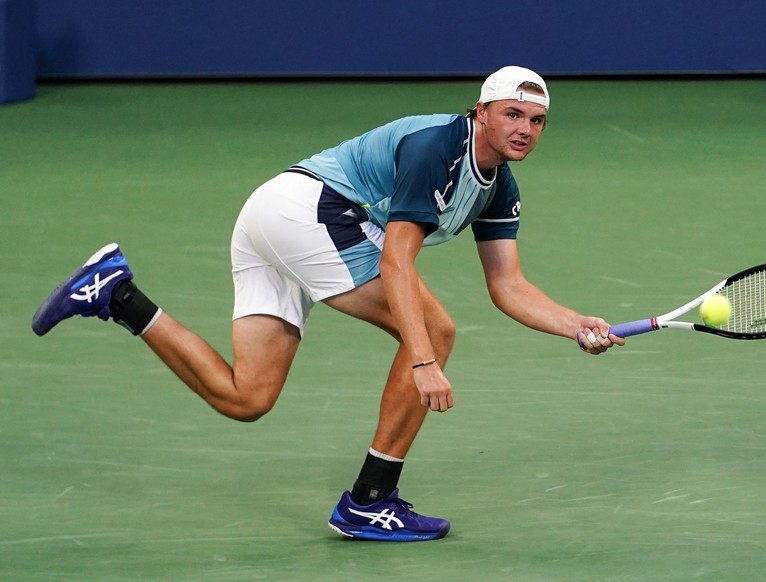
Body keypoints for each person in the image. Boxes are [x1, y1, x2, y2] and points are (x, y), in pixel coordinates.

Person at [31, 66, 624, 542]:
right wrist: (421, 360)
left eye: (537, 120)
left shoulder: (499, 187)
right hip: (308, 211)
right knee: (434, 330)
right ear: (481, 112)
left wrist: (576, 325)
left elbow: (508, 286)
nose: (525, 128)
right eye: (512, 114)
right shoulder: (435, 150)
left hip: (273, 216)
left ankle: (115, 293)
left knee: (246, 397)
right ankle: (370, 501)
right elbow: (395, 260)